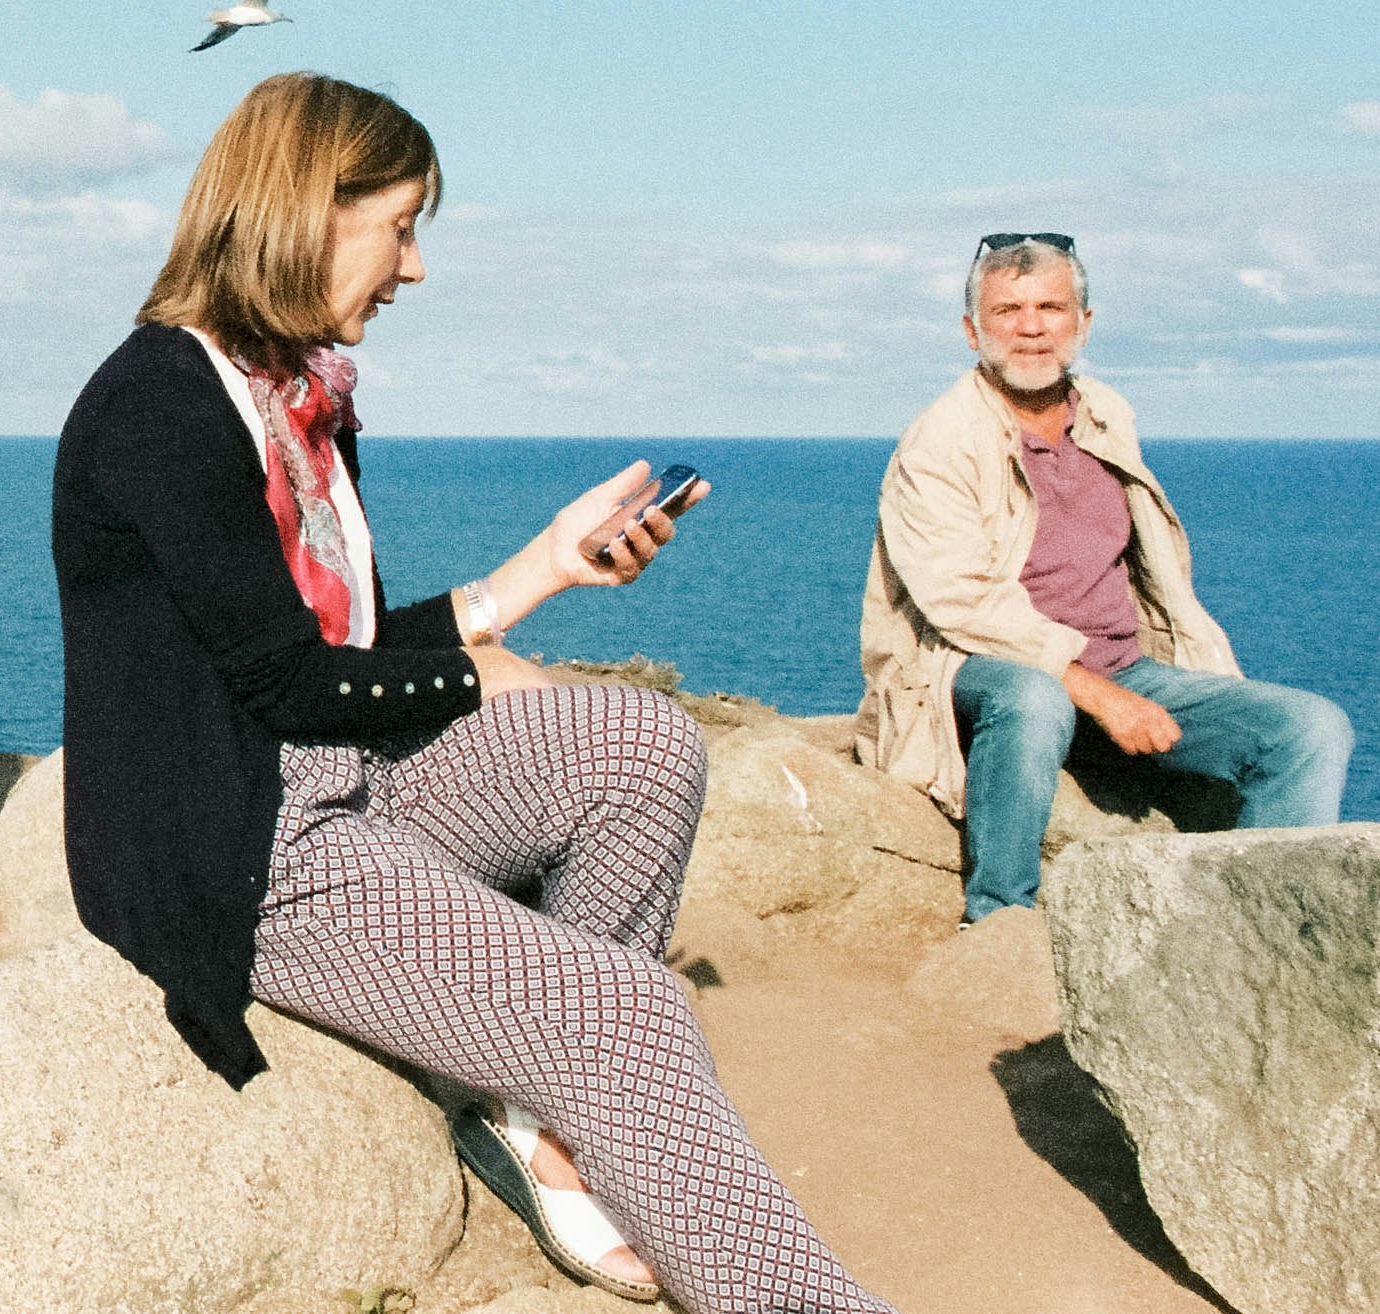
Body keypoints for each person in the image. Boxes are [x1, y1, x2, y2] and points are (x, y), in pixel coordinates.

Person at [55, 75, 892, 1313]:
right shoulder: (160, 405)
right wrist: (469, 673)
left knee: (640, 741)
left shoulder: (293, 392)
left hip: (346, 781)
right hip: (238, 846)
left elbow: (323, 638)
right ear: (304, 210)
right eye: (400, 225)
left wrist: (535, 576)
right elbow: (287, 682)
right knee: (626, 1011)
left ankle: (540, 1114)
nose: (413, 266)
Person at [857, 234, 1351, 920]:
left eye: (1050, 307)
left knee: (1310, 728)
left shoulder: (1105, 414)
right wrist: (1100, 698)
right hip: (972, 672)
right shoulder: (939, 441)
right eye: (1007, 310)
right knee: (1034, 700)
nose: (1030, 327)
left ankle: (1262, 928)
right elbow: (960, 604)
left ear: (1082, 324)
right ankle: (999, 917)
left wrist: (1134, 686)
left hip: (1121, 669)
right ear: (971, 330)